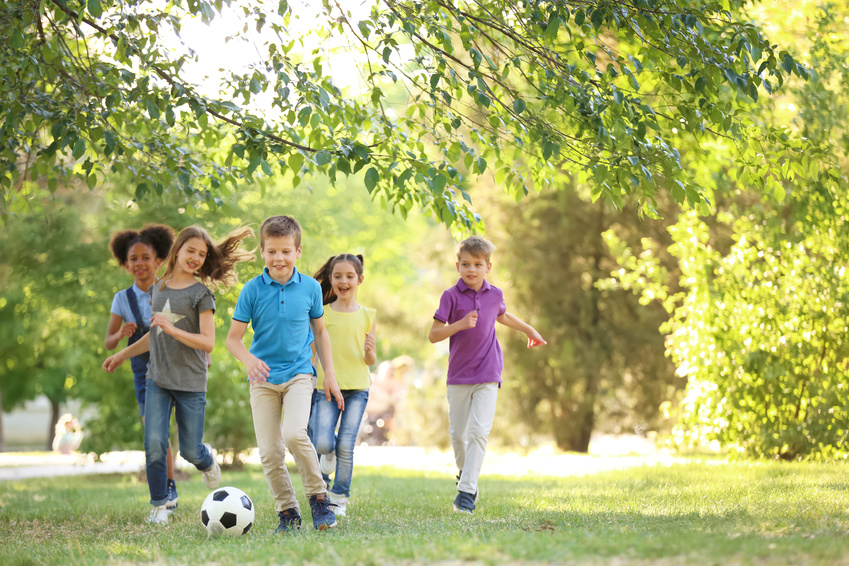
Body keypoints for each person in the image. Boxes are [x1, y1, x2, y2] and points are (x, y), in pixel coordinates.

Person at [103, 225, 254, 525]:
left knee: (189, 450)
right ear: (177, 250)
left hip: (190, 382)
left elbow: (208, 342)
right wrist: (121, 354)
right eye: (191, 251)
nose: (196, 258)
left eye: (202, 254)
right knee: (154, 441)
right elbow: (155, 334)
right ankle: (159, 505)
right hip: (157, 378)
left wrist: (172, 329)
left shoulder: (202, 294)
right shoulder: (157, 288)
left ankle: (206, 460)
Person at [225, 215, 344, 532]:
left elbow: (320, 332)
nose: (279, 258)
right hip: (262, 381)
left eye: (286, 251)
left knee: (294, 433)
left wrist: (328, 374)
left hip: (299, 375)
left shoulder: (309, 288)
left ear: (298, 251)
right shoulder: (251, 290)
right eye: (273, 251)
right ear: (262, 251)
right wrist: (249, 360)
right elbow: (232, 339)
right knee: (269, 452)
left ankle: (319, 500)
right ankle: (288, 513)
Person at [428, 236, 547, 515]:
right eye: (466, 264)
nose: (472, 269)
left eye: (478, 264)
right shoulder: (450, 296)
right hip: (458, 374)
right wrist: (458, 324)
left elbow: (502, 316)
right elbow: (433, 335)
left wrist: (529, 330)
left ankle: (467, 492)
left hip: (489, 371)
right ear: (457, 266)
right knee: (458, 435)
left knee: (479, 431)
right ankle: (465, 476)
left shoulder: (495, 294)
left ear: (488, 266)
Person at [104, 224, 180, 509]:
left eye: (145, 257)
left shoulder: (171, 290)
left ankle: (184, 472)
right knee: (155, 432)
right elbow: (109, 342)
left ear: (158, 260)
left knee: (176, 430)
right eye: (133, 259)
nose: (139, 263)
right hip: (144, 374)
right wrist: (121, 333)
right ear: (126, 264)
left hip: (175, 368)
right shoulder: (121, 299)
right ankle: (166, 489)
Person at [307, 253, 376, 517]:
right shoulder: (322, 314)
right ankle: (329, 455)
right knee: (323, 442)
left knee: (346, 443)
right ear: (330, 280)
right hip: (325, 386)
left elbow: (370, 358)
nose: (343, 281)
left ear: (359, 279)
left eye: (349, 276)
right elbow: (313, 351)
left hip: (357, 387)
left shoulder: (368, 315)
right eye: (337, 276)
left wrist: (370, 351)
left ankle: (340, 495)